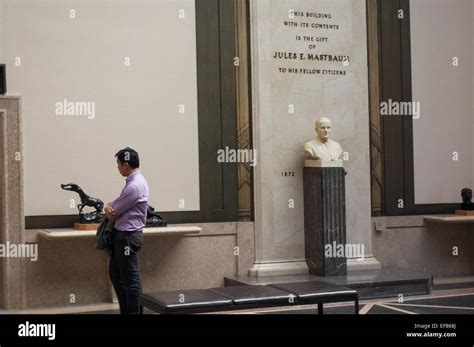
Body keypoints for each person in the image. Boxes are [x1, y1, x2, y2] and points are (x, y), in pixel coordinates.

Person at [105, 147, 149, 314]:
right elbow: (115, 204)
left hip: (127, 237)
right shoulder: (133, 183)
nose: (117, 167)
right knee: (116, 274)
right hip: (124, 236)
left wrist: (108, 209)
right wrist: (110, 207)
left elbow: (114, 212)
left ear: (126, 164)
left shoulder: (135, 186)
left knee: (130, 279)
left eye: (118, 164)